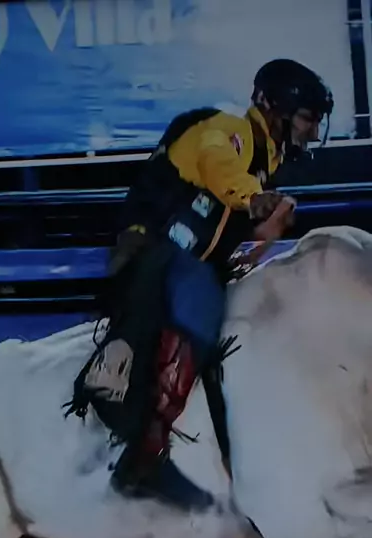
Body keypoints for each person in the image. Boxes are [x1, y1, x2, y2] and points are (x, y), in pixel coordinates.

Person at [79, 59, 334, 512]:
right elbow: (218, 164)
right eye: (306, 119)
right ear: (273, 108)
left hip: (191, 258)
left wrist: (260, 227)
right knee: (203, 310)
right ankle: (144, 456)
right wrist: (255, 199)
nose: (312, 132)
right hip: (161, 253)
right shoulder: (229, 129)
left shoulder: (266, 157)